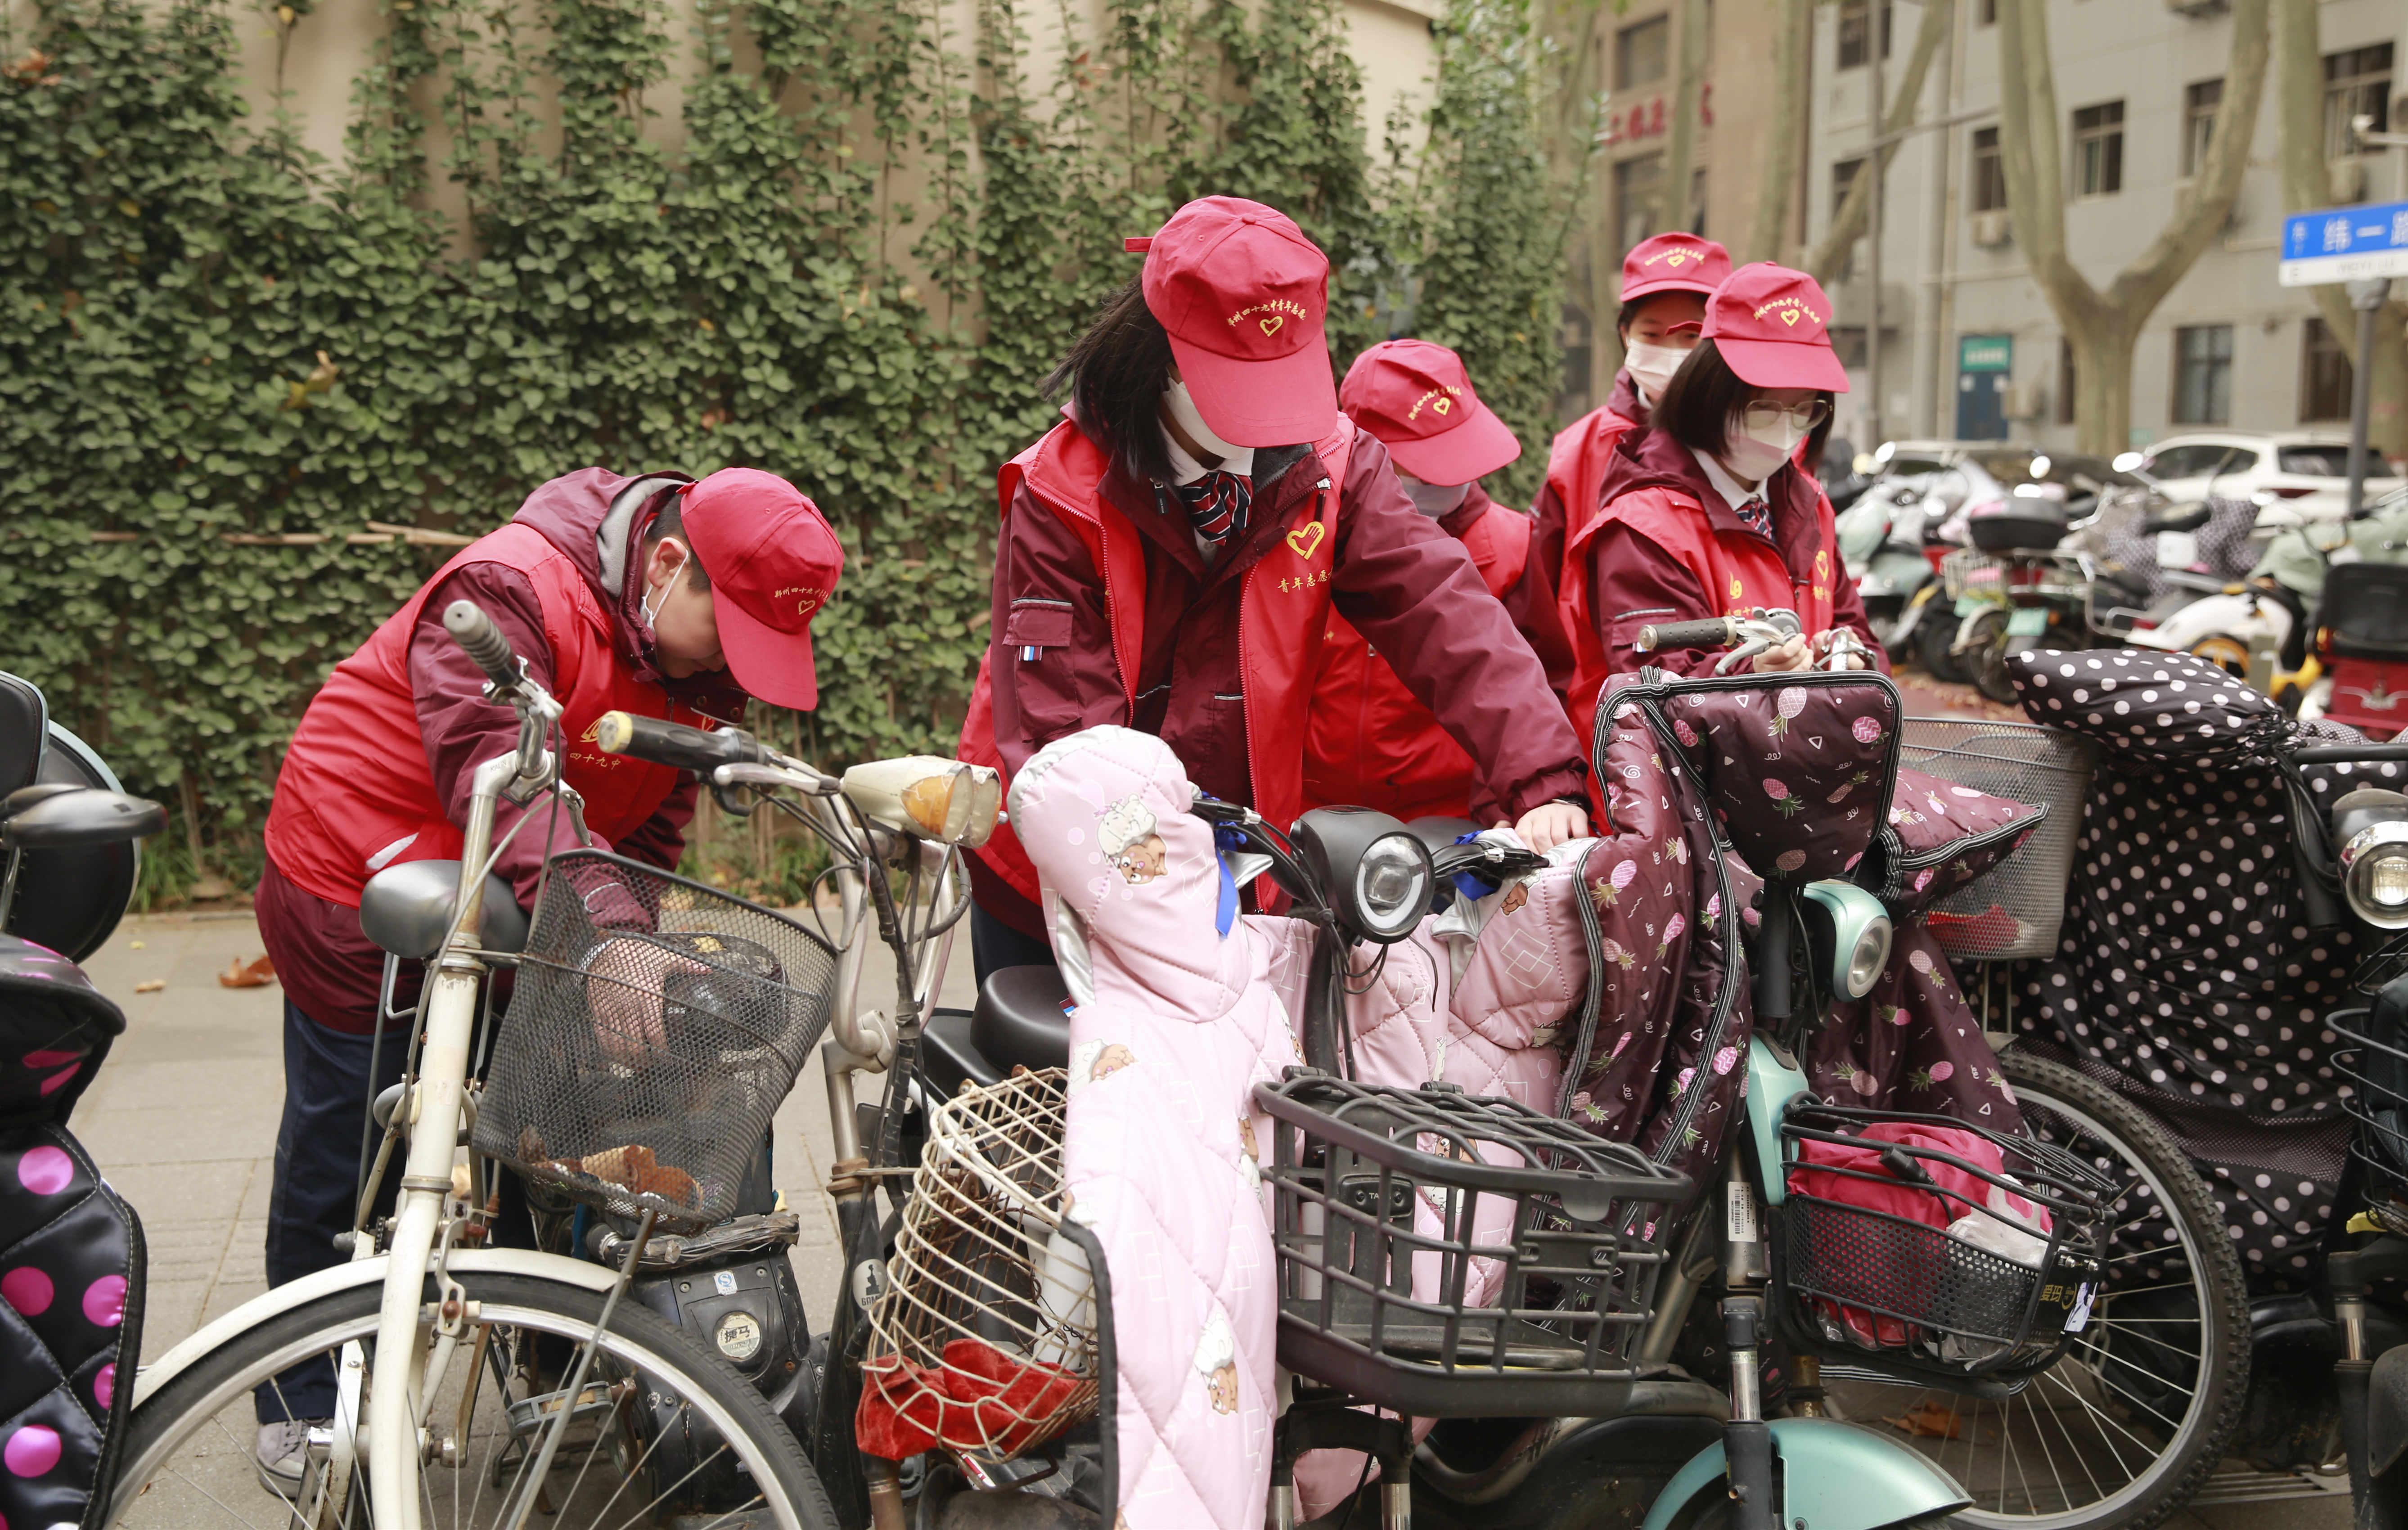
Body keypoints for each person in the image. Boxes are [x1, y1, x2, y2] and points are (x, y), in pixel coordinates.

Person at [249, 466, 841, 1490]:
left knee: (538, 1119)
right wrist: (607, 937)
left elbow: (647, 816)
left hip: (521, 886)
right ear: (666, 564)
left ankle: (545, 1342)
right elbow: (503, 766)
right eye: (730, 632)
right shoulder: (511, 587)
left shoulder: (687, 655)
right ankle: (301, 1399)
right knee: (350, 1147)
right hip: (362, 870)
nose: (730, 667)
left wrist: (630, 930)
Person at [956, 196, 1591, 979]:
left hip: (1239, 859)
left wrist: (1542, 780)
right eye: (1238, 384)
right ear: (1166, 357)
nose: (1265, 423)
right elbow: (1067, 731)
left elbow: (1439, 608)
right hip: (1059, 861)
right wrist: (1153, 881)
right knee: (1056, 1051)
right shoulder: (1062, 494)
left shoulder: (1332, 465)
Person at [1566, 262, 1884, 707]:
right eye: (1762, 408)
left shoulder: (1809, 505)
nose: (1784, 429)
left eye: (1804, 411)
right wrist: (1750, 675)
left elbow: (1860, 637)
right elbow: (1651, 688)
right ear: (1706, 394)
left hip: (1808, 749)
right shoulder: (1645, 528)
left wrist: (1850, 659)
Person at [1301, 339, 1572, 822]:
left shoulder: (1507, 544)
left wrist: (1505, 809)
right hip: (1308, 811)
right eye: (1423, 468)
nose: (1445, 480)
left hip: (1455, 822)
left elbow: (1546, 686)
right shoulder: (1303, 539)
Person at [1534, 232, 1732, 703]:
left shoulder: (1756, 445)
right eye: (1652, 334)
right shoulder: (1578, 450)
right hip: (1593, 708)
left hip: (1736, 696)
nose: (1673, 351)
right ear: (1624, 334)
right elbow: (1539, 598)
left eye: (1691, 336)